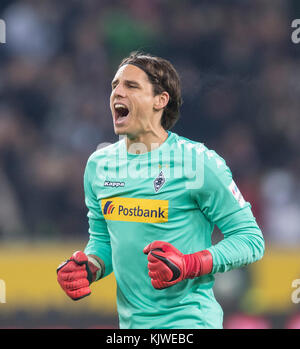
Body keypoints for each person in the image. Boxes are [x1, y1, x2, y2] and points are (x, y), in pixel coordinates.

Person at [57, 51, 265, 329]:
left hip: (189, 322)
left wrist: (190, 264)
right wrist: (90, 267)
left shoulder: (197, 162)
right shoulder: (99, 165)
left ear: (160, 100)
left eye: (131, 86)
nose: (117, 92)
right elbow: (104, 240)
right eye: (114, 85)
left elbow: (250, 240)